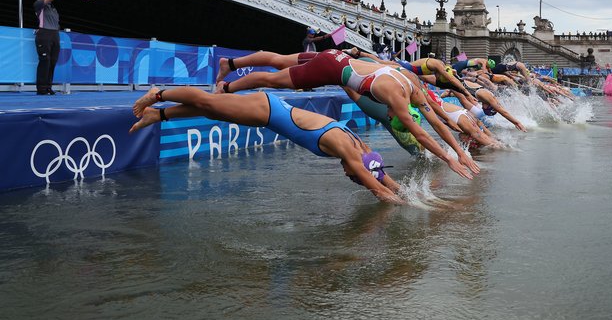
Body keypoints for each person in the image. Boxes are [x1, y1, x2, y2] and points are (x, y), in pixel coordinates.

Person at [214, 49, 480, 179]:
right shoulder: (397, 100)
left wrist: (458, 151)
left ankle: (232, 63)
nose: (388, 113)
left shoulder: (411, 83)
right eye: (392, 114)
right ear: (397, 111)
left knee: (279, 60)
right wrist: (449, 159)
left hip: (336, 56)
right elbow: (421, 132)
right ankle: (226, 87)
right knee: (274, 80)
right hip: (329, 69)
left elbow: (436, 120)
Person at [130, 87, 403, 204]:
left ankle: (159, 115)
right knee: (208, 102)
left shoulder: (362, 148)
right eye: (352, 176)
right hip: (267, 110)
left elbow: (381, 176)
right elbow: (377, 187)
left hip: (269, 113)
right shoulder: (347, 149)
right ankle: (158, 94)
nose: (346, 175)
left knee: (212, 111)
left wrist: (413, 195)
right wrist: (411, 209)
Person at [33, 0, 72, 95]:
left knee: (53, 62)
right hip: (44, 34)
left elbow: (55, 23)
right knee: (45, 61)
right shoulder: (38, 4)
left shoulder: (53, 9)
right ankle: (41, 88)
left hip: (55, 34)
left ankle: (48, 87)